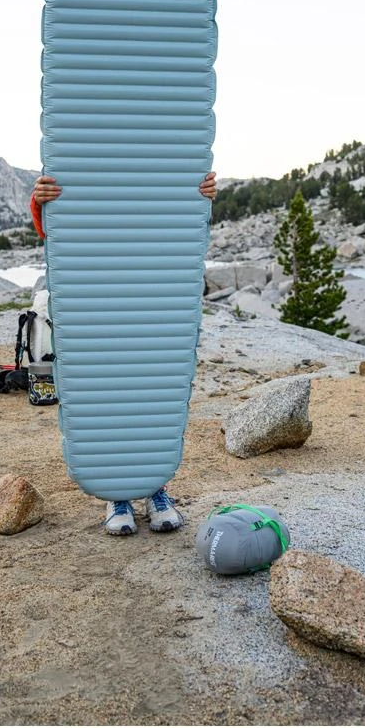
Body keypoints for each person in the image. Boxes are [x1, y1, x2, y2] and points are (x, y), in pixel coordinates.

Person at [30, 170, 218, 535]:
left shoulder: (150, 167)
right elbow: (57, 231)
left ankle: (155, 488)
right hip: (96, 297)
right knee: (105, 391)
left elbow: (176, 227)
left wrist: (196, 193)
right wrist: (40, 203)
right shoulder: (88, 169)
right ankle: (116, 493)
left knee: (152, 389)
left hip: (150, 292)